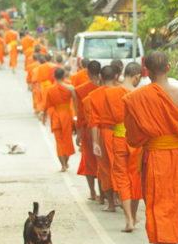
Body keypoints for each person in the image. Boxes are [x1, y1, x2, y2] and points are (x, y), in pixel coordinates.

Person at [124, 50, 178, 244]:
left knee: (156, 207)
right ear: (170, 67)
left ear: (146, 71)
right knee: (176, 205)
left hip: (154, 156)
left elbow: (133, 136)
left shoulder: (136, 97)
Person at [102, 63, 144, 232]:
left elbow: (107, 123)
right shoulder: (140, 94)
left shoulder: (111, 93)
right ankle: (134, 215)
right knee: (135, 178)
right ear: (137, 77)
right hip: (137, 141)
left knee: (122, 178)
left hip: (119, 138)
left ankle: (129, 220)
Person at [87, 65, 120, 212]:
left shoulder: (94, 95)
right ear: (116, 76)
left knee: (106, 169)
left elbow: (94, 121)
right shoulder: (123, 92)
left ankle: (111, 204)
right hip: (122, 133)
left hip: (103, 133)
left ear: (100, 77)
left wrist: (95, 143)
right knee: (120, 167)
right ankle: (120, 197)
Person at [75, 60, 103, 202]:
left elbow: (79, 113)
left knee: (89, 161)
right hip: (102, 129)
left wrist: (78, 133)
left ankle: (93, 192)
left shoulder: (80, 90)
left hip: (87, 128)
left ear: (87, 72)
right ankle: (104, 194)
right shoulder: (104, 88)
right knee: (103, 162)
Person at [41, 67, 77, 171]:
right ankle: (66, 161)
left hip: (56, 115)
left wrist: (43, 116)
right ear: (63, 76)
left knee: (59, 141)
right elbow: (75, 105)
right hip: (67, 115)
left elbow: (46, 105)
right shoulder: (70, 88)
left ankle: (63, 165)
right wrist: (76, 118)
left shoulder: (50, 89)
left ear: (54, 77)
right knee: (68, 140)